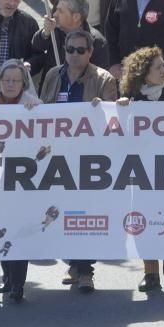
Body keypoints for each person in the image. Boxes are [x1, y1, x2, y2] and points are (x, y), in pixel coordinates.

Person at [39, 29, 117, 294]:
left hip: (89, 159)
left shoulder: (103, 79)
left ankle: (86, 271)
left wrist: (101, 110)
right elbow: (42, 111)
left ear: (90, 52)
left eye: (80, 50)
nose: (74, 55)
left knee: (84, 216)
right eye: (70, 50)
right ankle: (74, 262)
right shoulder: (53, 75)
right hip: (58, 158)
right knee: (63, 213)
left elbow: (113, 119)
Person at [118, 46, 164, 290]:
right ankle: (151, 272)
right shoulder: (132, 96)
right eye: (158, 68)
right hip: (141, 168)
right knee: (143, 217)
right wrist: (122, 110)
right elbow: (121, 132)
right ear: (144, 73)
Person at [0, 59, 40, 302]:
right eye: (6, 80)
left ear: (23, 83)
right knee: (0, 230)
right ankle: (6, 275)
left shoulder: (34, 105)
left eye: (16, 80)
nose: (11, 84)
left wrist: (36, 114)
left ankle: (18, 284)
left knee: (17, 231)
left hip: (22, 180)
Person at [33, 0, 109, 87]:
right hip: (53, 92)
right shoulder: (54, 31)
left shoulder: (96, 41)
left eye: (60, 11)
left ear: (76, 17)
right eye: (56, 10)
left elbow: (101, 77)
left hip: (81, 96)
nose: (55, 14)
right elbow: (36, 46)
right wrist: (45, 33)